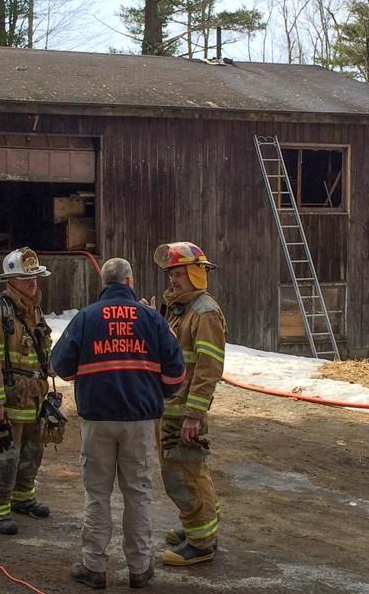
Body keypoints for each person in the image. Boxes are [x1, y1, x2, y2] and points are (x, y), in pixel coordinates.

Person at [51, 257, 186, 589]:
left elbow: (60, 365)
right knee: (137, 495)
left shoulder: (86, 317)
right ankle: (139, 569)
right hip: (140, 421)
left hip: (97, 421)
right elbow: (176, 372)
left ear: (104, 284)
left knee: (97, 495)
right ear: (130, 282)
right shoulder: (151, 318)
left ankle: (94, 567)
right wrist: (156, 391)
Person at [144, 241, 227, 567]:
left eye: (177, 274)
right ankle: (200, 525)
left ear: (196, 273)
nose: (172, 281)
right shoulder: (182, 309)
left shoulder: (204, 313)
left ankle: (201, 543)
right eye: (170, 275)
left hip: (183, 416)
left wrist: (194, 414)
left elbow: (208, 368)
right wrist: (154, 321)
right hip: (171, 410)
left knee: (184, 477)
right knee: (191, 471)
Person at [0, 247, 56, 535]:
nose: (33, 283)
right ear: (11, 280)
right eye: (26, 278)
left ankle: (22, 498)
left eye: (35, 277)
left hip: (32, 399)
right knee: (3, 457)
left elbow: (41, 347)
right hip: (6, 403)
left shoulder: (33, 310)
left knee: (32, 452)